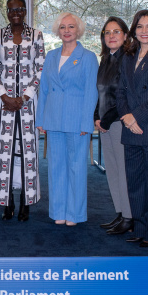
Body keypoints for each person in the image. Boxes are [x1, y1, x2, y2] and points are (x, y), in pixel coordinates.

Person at [36, 12, 98, 225]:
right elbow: (43, 89)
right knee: (56, 168)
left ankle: (75, 214)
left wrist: (86, 123)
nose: (67, 31)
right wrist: (40, 119)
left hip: (76, 120)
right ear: (57, 30)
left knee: (76, 167)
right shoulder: (51, 56)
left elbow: (92, 92)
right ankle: (58, 212)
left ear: (78, 30)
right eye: (63, 27)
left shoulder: (88, 57)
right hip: (53, 118)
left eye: (71, 27)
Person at [115, 10, 148, 248]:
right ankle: (140, 226)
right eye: (139, 26)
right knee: (135, 182)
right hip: (130, 128)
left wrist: (136, 117)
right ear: (134, 31)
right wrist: (126, 118)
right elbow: (121, 90)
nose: (144, 31)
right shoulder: (128, 56)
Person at [0, 0, 45, 221]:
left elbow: (40, 70)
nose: (16, 13)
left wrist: (24, 97)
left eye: (20, 9)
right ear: (7, 12)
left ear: (25, 11)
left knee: (27, 151)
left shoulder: (36, 36)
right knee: (4, 151)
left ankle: (26, 199)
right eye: (11, 10)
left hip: (27, 104)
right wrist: (5, 96)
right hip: (3, 103)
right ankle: (8, 200)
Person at [95, 17, 134, 236]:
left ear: (126, 35)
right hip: (105, 123)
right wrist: (96, 117)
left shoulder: (127, 60)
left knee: (123, 172)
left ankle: (129, 217)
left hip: (119, 123)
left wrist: (106, 119)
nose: (111, 36)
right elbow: (98, 92)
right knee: (112, 171)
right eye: (107, 32)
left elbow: (125, 96)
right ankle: (120, 213)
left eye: (116, 32)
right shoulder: (106, 59)